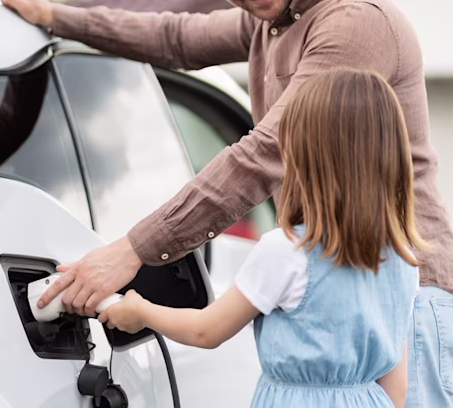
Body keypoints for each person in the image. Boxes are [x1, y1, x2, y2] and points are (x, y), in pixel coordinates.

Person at [0, 0, 453, 405]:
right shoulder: (271, 18)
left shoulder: (353, 22)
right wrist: (56, 17)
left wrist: (134, 250)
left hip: (394, 287)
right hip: (336, 282)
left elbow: (264, 153)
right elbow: (174, 39)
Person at [100, 68, 425, 408]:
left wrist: (141, 312)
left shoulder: (287, 252)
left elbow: (206, 331)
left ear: (305, 156)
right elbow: (396, 387)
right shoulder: (403, 259)